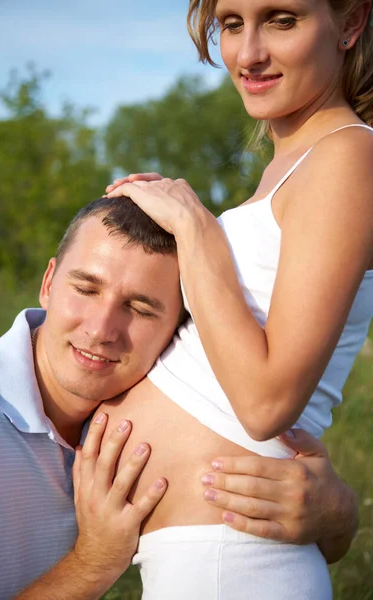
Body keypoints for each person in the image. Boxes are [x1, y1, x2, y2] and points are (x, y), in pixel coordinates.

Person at [105, 0, 373, 597]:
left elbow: (266, 400)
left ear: (351, 24)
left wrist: (197, 229)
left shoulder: (348, 155)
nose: (247, 54)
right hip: (205, 556)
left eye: (282, 20)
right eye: (231, 24)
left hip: (232, 557)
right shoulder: (294, 167)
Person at [0, 197, 357, 599]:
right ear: (49, 283)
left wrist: (335, 515)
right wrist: (93, 562)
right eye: (86, 288)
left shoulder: (157, 409)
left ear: (179, 330)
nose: (102, 329)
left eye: (139, 308)